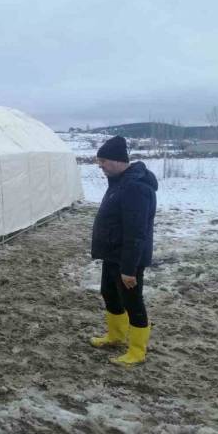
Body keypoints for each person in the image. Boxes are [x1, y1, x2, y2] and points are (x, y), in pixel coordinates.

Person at [90, 135, 157, 366]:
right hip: (113, 254)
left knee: (132, 301)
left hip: (128, 258)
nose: (101, 167)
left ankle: (137, 351)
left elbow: (136, 231)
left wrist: (129, 268)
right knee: (109, 294)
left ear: (118, 160)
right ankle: (115, 336)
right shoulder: (119, 182)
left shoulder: (135, 187)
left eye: (104, 162)